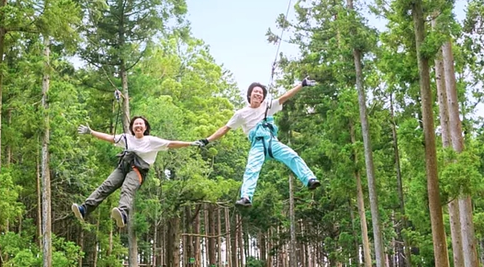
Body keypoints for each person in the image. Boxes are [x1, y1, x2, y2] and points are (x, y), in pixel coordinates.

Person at [194, 78, 319, 207]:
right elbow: (225, 129)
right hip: (257, 145)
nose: (258, 94)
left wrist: (301, 85)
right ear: (250, 94)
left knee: (292, 156)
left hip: (272, 141)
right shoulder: (241, 114)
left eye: (261, 93)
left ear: (263, 97)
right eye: (256, 92)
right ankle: (246, 197)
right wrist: (207, 140)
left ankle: (309, 179)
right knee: (251, 169)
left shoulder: (268, 106)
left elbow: (284, 97)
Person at [72, 116, 199, 228]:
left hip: (138, 169)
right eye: (135, 124)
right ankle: (85, 209)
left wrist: (191, 143)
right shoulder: (126, 138)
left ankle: (122, 213)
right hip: (124, 166)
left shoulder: (151, 141)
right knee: (106, 185)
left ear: (145, 127)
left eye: (141, 124)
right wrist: (91, 132)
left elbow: (172, 144)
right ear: (132, 127)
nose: (138, 126)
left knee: (127, 188)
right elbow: (109, 138)